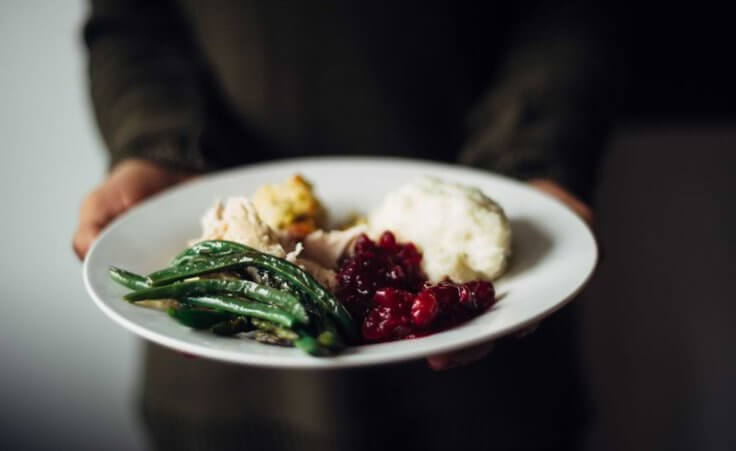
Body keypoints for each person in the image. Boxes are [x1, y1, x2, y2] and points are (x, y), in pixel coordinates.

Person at [73, 1, 614, 449]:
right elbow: (132, 22)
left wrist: (530, 159)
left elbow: (572, 16)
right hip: (227, 396)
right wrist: (158, 145)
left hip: (489, 393)